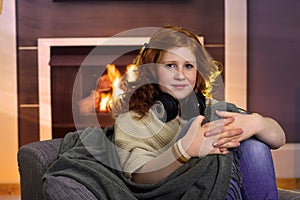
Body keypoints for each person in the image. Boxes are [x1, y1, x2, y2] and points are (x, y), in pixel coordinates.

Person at [112, 25, 286, 199]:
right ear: (152, 71)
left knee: (253, 144)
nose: (180, 75)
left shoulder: (209, 107)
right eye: (170, 65)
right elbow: (139, 177)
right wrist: (183, 150)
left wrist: (257, 123)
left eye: (188, 66)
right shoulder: (132, 120)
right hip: (177, 192)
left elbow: (279, 139)